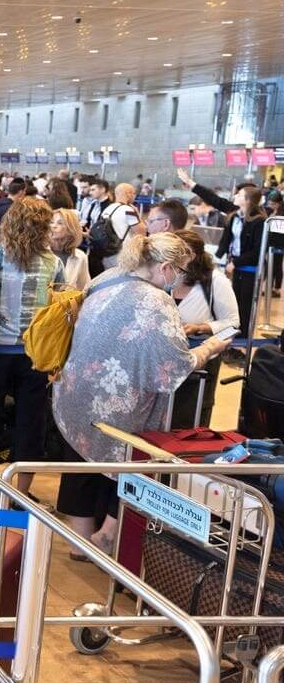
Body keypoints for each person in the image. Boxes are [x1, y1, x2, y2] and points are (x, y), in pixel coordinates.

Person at [53, 233, 230, 556]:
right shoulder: (156, 300)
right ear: (164, 267)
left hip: (76, 387)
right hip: (117, 401)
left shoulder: (111, 276)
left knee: (80, 462)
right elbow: (176, 362)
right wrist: (210, 347)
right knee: (129, 466)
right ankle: (106, 536)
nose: (178, 280)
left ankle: (79, 544)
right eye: (178, 271)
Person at [0, 198, 64, 496]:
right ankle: (20, 491)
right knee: (31, 422)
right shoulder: (53, 262)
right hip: (36, 354)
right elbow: (59, 310)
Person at [176, 168, 266, 346]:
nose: (235, 196)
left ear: (247, 200)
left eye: (239, 194)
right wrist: (191, 183)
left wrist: (237, 262)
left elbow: (257, 250)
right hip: (234, 265)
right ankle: (232, 341)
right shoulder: (235, 214)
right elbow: (214, 199)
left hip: (249, 268)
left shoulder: (259, 221)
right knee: (235, 303)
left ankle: (241, 344)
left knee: (245, 305)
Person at [169, 228, 238, 428]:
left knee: (193, 416)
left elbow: (233, 323)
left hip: (203, 361)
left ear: (195, 256)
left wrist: (200, 327)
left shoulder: (215, 281)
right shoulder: (162, 276)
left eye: (183, 254)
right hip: (166, 357)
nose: (177, 260)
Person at [49, 208, 90, 292]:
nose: (53, 226)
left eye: (60, 223)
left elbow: (84, 289)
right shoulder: (40, 253)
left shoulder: (80, 256)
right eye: (51, 222)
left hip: (66, 303)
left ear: (71, 229)